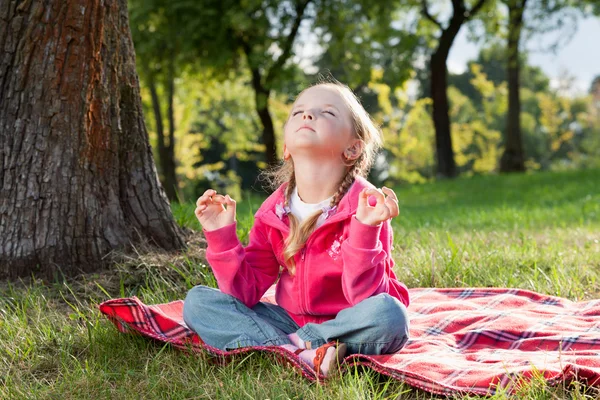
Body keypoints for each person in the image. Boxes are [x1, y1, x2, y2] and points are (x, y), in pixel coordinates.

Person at [183, 81, 410, 377]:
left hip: (352, 322)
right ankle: (299, 352)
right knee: (197, 302)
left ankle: (287, 349)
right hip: (289, 323)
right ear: (286, 147)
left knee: (391, 315)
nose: (307, 116)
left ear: (353, 148)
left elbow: (367, 299)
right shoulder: (272, 212)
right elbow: (245, 293)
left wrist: (365, 229)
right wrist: (221, 237)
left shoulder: (367, 206)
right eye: (298, 112)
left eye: (326, 112)